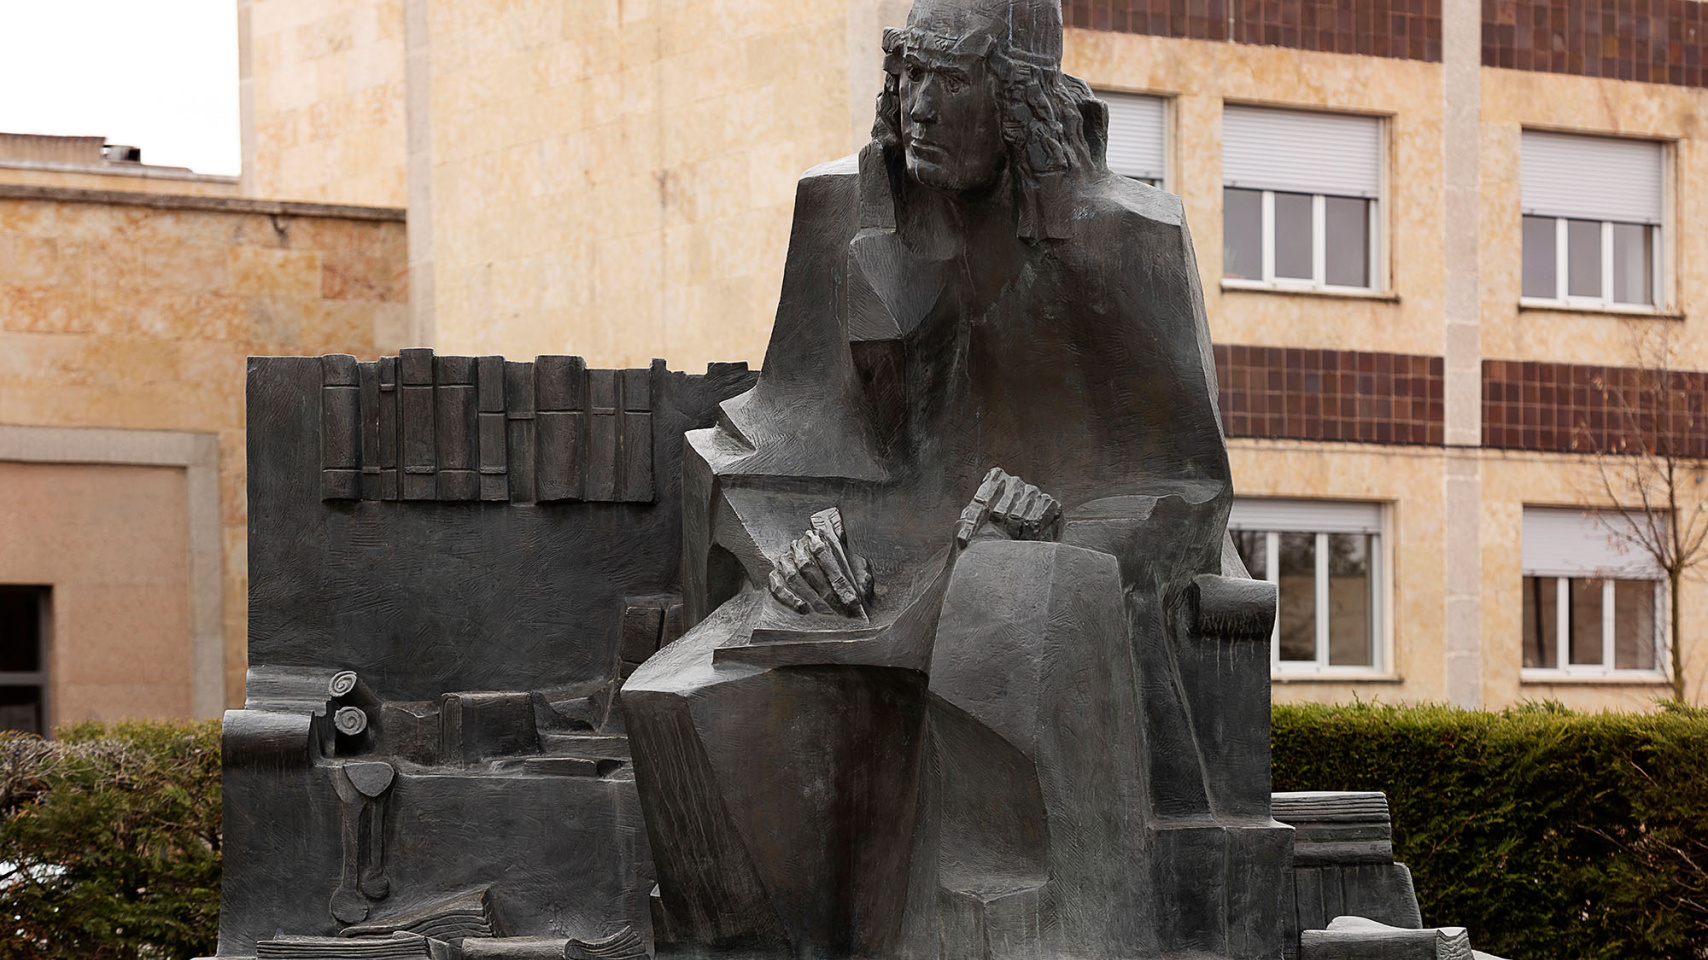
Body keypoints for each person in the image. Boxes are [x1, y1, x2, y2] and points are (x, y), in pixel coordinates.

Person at [622, 2, 1268, 957]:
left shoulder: (1125, 236)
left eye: (948, 79)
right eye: (907, 75)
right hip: (861, 578)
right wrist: (783, 553)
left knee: (1006, 612)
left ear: (1016, 99)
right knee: (681, 700)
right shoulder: (841, 210)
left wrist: (1056, 528)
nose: (917, 106)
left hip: (1051, 564)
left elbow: (1187, 483)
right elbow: (755, 439)